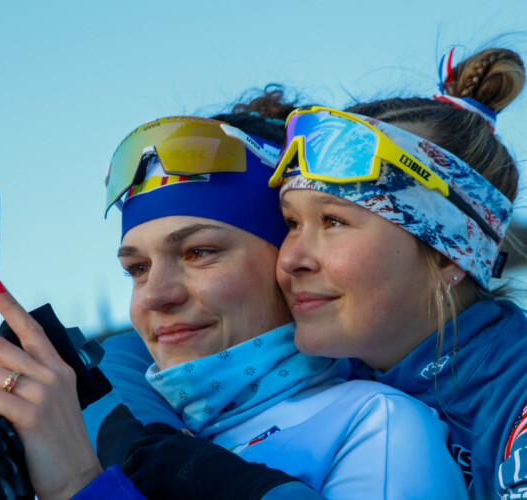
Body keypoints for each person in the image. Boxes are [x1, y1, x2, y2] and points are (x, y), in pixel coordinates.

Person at [0, 111, 468, 499]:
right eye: (136, 268)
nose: (156, 296)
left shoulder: (377, 428)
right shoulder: (94, 421)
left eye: (200, 252)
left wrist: (81, 486)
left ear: (284, 259)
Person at [90, 46, 527, 500]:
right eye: (293, 224)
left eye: (333, 222)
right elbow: (124, 353)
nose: (291, 257)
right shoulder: (360, 358)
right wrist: (140, 441)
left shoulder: (507, 395)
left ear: (448, 253)